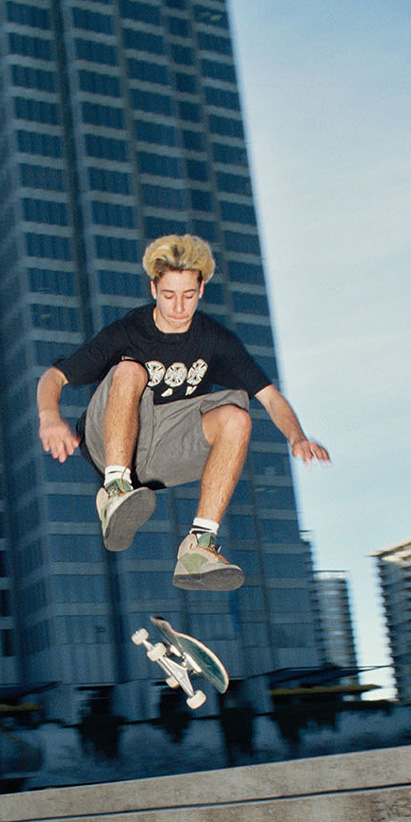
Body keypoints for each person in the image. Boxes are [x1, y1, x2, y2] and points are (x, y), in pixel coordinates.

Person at [37, 233, 329, 590]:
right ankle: (115, 491)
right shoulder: (129, 331)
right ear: (153, 289)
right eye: (168, 296)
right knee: (129, 370)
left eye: (188, 296)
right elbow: (54, 377)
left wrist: (297, 437)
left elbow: (270, 398)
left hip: (166, 452)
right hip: (109, 442)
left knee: (237, 417)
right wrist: (49, 418)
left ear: (201, 290)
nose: (178, 307)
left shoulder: (215, 340)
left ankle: (199, 547)